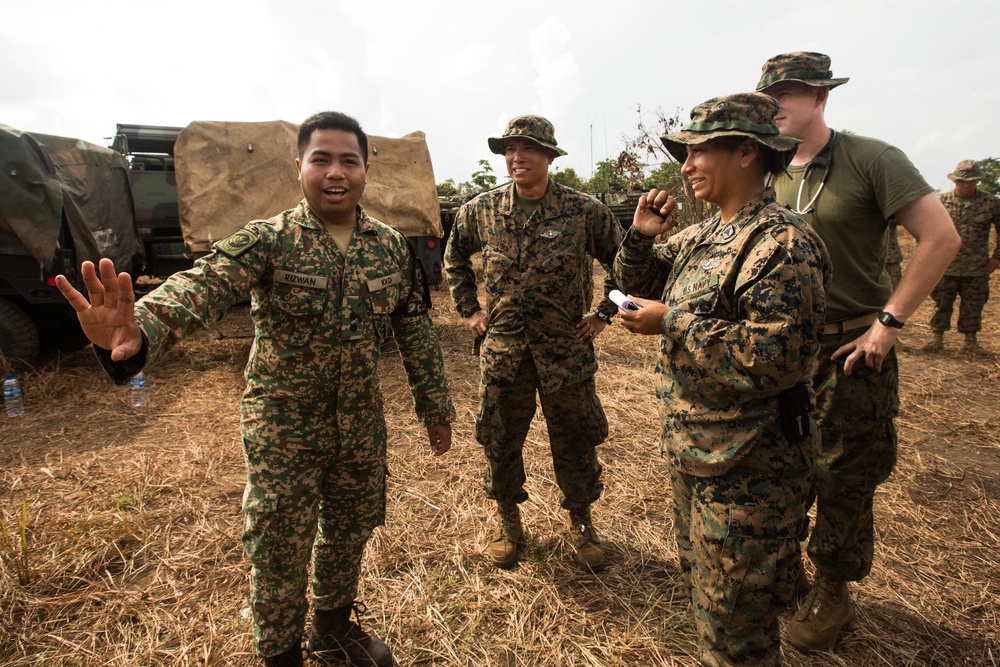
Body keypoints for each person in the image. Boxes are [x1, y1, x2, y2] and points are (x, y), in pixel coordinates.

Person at [56, 111, 455, 667]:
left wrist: (436, 409)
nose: (334, 172)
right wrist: (140, 326)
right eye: (321, 159)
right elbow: (203, 285)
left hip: (361, 424)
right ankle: (280, 654)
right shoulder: (269, 240)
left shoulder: (390, 248)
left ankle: (332, 629)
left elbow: (414, 329)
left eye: (348, 160)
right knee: (277, 545)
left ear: (367, 169)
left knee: (350, 527)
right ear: (298, 167)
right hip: (282, 427)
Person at [614, 92, 832, 666]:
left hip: (752, 466)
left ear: (746, 153)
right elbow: (643, 282)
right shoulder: (706, 235)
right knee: (712, 598)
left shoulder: (782, 244)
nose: (685, 165)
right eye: (684, 153)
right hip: (699, 452)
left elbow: (776, 358)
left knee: (738, 629)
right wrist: (642, 236)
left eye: (698, 151)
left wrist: (674, 322)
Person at [755, 52, 961, 652]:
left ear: (821, 97)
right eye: (770, 95)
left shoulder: (872, 158)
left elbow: (941, 237)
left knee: (844, 472)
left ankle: (833, 589)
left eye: (792, 93)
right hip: (776, 349)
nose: (779, 105)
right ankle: (785, 571)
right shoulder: (761, 166)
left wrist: (887, 324)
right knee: (778, 464)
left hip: (849, 346)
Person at [444, 115, 623, 572]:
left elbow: (626, 264)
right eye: (509, 149)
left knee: (576, 441)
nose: (515, 157)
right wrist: (470, 310)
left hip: (565, 352)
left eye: (527, 149)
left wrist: (604, 313)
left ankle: (581, 523)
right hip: (504, 353)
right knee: (500, 441)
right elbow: (454, 259)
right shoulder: (481, 209)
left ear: (549, 156)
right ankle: (509, 523)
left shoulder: (583, 211)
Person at [923, 160, 1000, 355]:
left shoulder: (991, 202)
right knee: (942, 301)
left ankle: (970, 341)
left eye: (971, 181)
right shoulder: (941, 202)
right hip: (945, 264)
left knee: (974, 302)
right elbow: (927, 230)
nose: (966, 185)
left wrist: (997, 256)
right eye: (961, 181)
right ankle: (937, 338)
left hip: (976, 265)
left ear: (977, 182)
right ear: (954, 181)